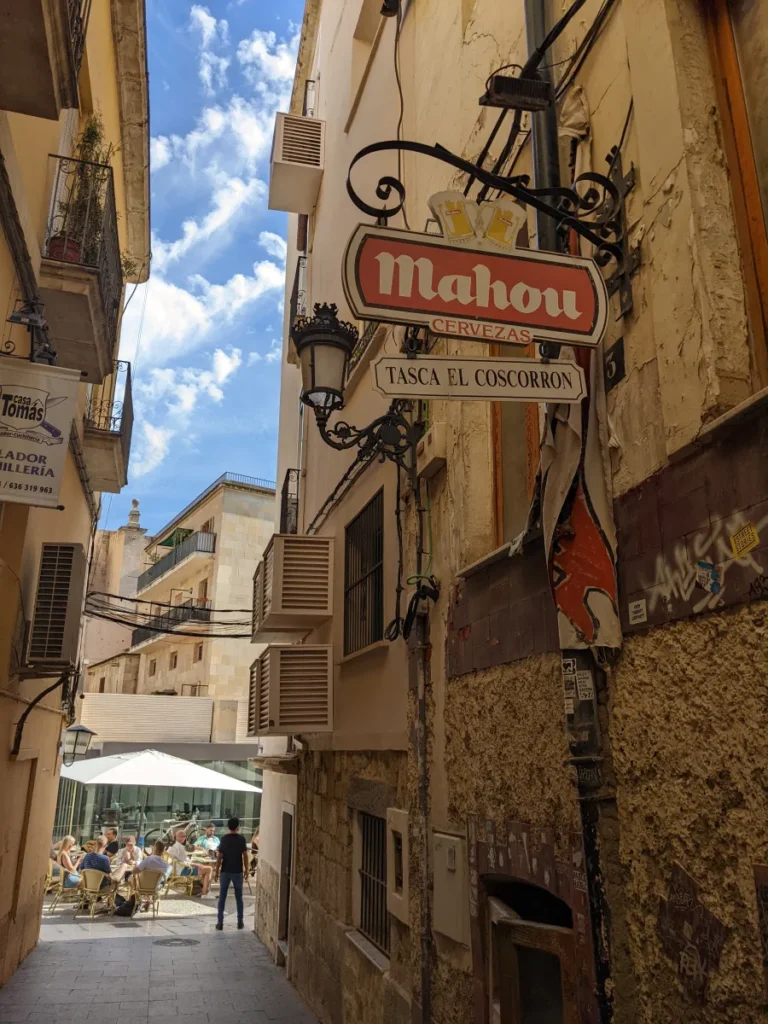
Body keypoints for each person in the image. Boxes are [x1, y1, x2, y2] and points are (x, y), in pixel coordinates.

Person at [215, 817, 248, 931]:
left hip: (225, 871)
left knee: (222, 897)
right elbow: (245, 855)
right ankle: (240, 921)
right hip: (237, 871)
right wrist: (247, 870)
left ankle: (220, 923)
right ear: (238, 827)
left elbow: (220, 856)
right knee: (239, 898)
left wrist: (216, 871)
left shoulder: (224, 839)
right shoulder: (241, 839)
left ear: (228, 827)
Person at [167, 829, 214, 897]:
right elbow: (184, 862)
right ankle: (205, 893)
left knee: (205, 868)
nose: (184, 837)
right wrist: (196, 864)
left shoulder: (178, 846)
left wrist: (196, 863)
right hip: (183, 870)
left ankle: (205, 891)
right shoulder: (178, 847)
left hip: (181, 868)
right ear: (177, 837)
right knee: (209, 869)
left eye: (184, 836)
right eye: (182, 836)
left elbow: (185, 859)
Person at [133, 841, 171, 911]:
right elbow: (165, 879)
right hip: (155, 887)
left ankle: (133, 902)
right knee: (154, 882)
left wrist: (138, 866)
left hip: (141, 886)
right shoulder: (166, 865)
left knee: (132, 878)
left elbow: (135, 871)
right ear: (163, 850)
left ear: (154, 848)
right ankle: (148, 900)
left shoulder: (148, 859)